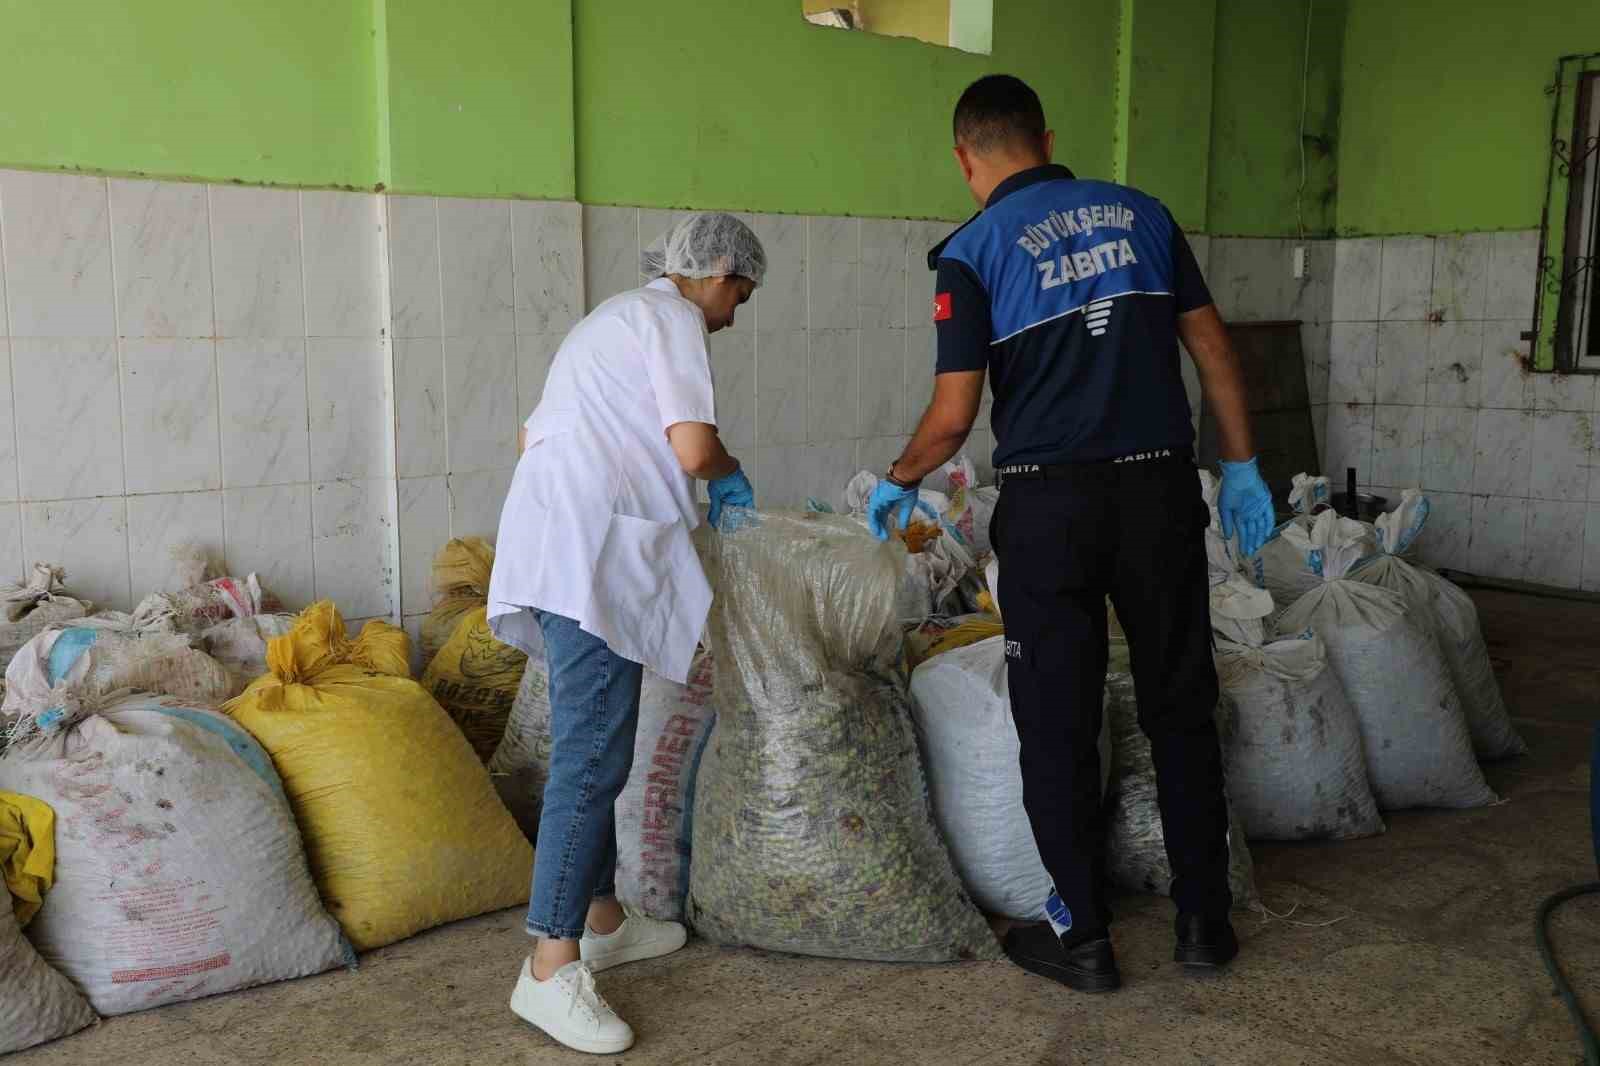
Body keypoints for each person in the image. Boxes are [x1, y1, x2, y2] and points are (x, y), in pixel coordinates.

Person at [867, 75, 1274, 993]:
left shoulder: (971, 252)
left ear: (966, 159)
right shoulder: (1146, 215)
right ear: (1046, 138)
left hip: (1051, 509)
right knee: (1180, 701)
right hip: (1159, 493)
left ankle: (1083, 939)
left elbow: (953, 414)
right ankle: (1205, 925)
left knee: (1056, 723)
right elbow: (1214, 350)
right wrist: (1242, 462)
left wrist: (898, 481)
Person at [487, 213, 764, 1054]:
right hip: (588, 559)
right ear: (715, 270)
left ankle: (602, 917)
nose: (733, 314)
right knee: (591, 758)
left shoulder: (609, 318)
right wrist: (731, 473)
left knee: (598, 743)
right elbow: (691, 446)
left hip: (561, 545)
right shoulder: (673, 319)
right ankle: (549, 964)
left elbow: (531, 434)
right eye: (739, 294)